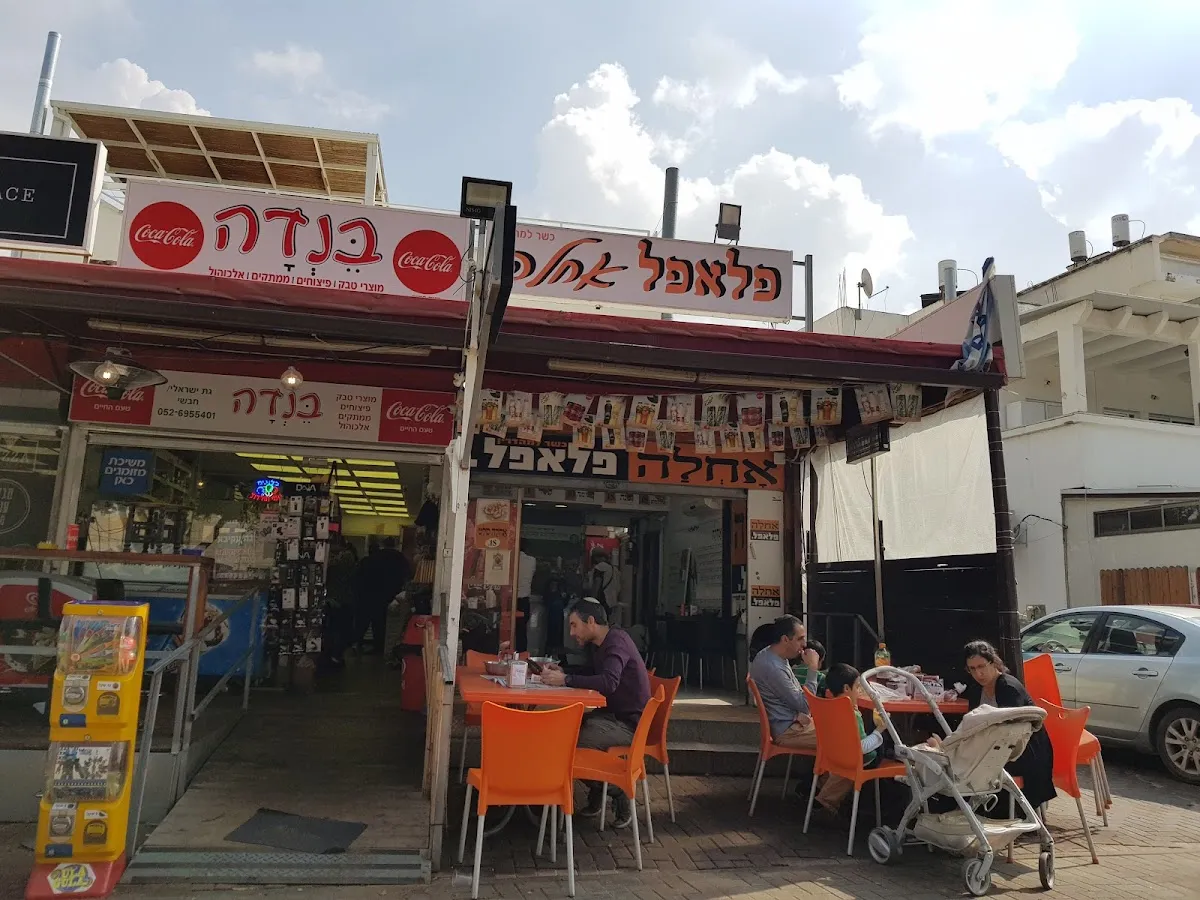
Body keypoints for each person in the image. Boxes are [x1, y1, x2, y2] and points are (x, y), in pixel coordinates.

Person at [541, 598, 650, 828]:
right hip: (612, 717)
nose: (572, 633)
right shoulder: (604, 643)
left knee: (570, 745)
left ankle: (617, 791)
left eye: (574, 625)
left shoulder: (616, 643)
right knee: (563, 731)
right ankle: (596, 792)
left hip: (629, 725)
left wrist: (566, 680)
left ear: (590, 621)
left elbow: (608, 682)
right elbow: (593, 672)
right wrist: (564, 671)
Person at [953, 640, 1057, 810]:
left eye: (981, 666)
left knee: (967, 766)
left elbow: (1010, 731)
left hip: (1024, 752)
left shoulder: (1008, 688)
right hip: (998, 747)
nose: (978, 673)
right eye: (972, 669)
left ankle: (977, 810)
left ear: (993, 662)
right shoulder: (977, 689)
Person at [809, 663, 889, 815]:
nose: (859, 691)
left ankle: (825, 799)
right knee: (885, 741)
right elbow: (861, 748)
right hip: (858, 759)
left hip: (832, 756)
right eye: (857, 687)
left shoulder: (828, 707)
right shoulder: (852, 715)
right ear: (846, 688)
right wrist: (879, 731)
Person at [748, 615, 821, 750]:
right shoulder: (773, 667)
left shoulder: (771, 655)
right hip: (789, 731)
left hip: (791, 723)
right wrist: (812, 669)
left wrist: (797, 715)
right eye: (800, 639)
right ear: (785, 639)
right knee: (843, 736)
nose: (804, 644)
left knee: (840, 727)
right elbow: (805, 706)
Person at [351, 536, 411, 655]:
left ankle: (357, 643)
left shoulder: (372, 559)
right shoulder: (400, 558)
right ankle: (382, 648)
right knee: (382, 623)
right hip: (391, 595)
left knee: (364, 621)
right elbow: (406, 575)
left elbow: (358, 577)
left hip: (369, 594)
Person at [321, 536, 358, 668]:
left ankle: (335, 655)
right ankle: (336, 655)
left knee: (336, 629)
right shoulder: (348, 556)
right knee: (340, 629)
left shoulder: (344, 557)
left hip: (338, 599)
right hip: (343, 599)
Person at [586, 548, 619, 620]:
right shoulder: (615, 569)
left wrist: (592, 600)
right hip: (612, 602)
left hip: (602, 600)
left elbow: (597, 584)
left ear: (596, 557)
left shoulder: (600, 568)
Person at [515, 541, 536, 652]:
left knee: (509, 630)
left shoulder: (511, 559)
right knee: (522, 631)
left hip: (510, 600)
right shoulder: (532, 560)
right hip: (523, 601)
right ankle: (521, 655)